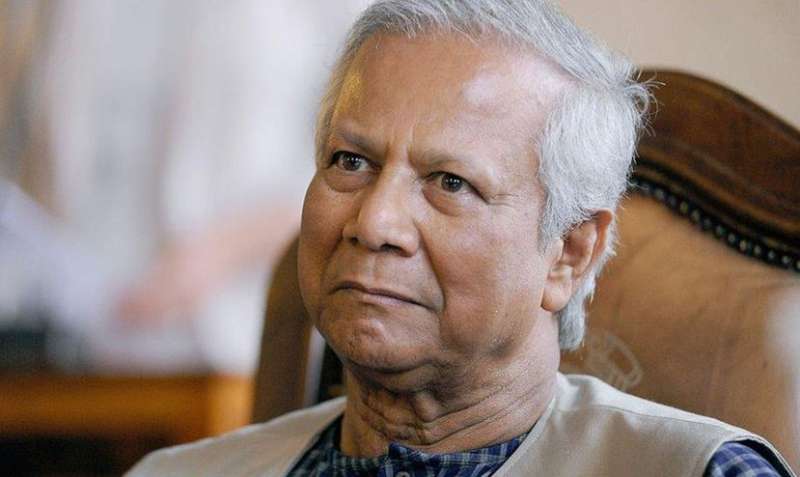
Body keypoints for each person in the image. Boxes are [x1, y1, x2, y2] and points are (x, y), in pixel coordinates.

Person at [126, 1, 796, 476]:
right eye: (350, 161)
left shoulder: (707, 471)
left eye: (450, 182)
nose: (374, 223)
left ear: (568, 253)